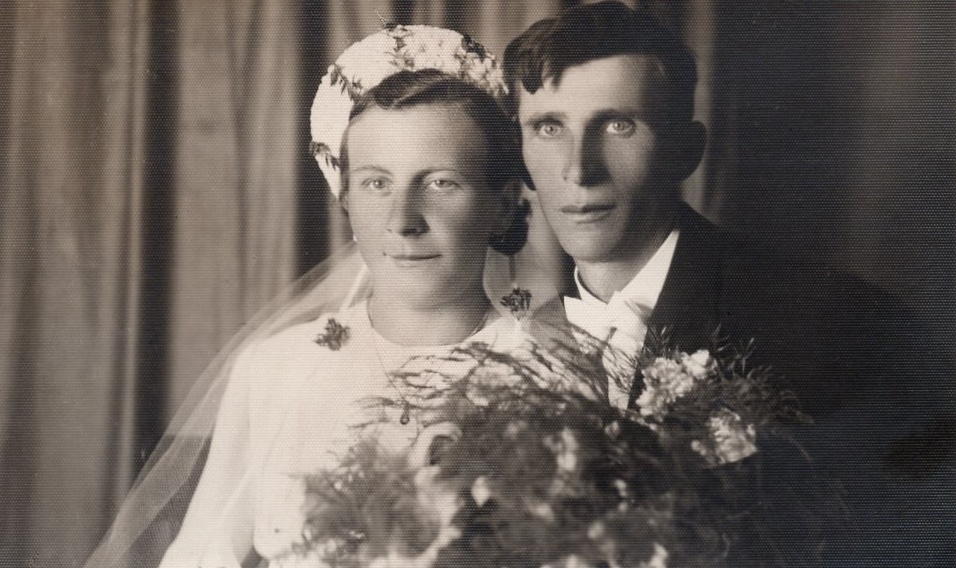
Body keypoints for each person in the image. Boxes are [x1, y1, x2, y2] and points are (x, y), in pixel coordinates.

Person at [85, 25, 576, 568]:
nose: (403, 220)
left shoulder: (551, 375)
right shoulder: (275, 369)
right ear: (345, 198)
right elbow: (201, 556)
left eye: (441, 183)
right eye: (376, 183)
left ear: (502, 204)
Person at [504, 2, 955, 565]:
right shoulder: (518, 343)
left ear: (686, 150)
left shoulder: (839, 323)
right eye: (549, 128)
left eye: (618, 125)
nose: (578, 169)